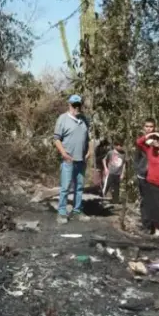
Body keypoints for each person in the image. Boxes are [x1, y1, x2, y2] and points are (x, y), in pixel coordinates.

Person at [54, 94, 91, 224]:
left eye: (78, 105)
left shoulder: (84, 120)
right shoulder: (62, 119)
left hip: (81, 160)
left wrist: (89, 152)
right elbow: (56, 139)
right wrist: (64, 154)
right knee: (65, 187)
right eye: (74, 105)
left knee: (79, 187)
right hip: (68, 160)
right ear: (69, 105)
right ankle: (62, 213)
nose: (76, 107)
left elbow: (88, 138)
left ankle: (77, 211)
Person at [135, 118, 157, 231]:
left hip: (154, 175)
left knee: (154, 200)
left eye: (151, 126)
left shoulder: (158, 141)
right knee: (145, 200)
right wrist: (138, 171)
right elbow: (138, 145)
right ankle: (146, 225)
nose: (149, 128)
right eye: (147, 126)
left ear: (154, 127)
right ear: (144, 128)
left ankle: (153, 224)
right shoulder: (142, 142)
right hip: (143, 174)